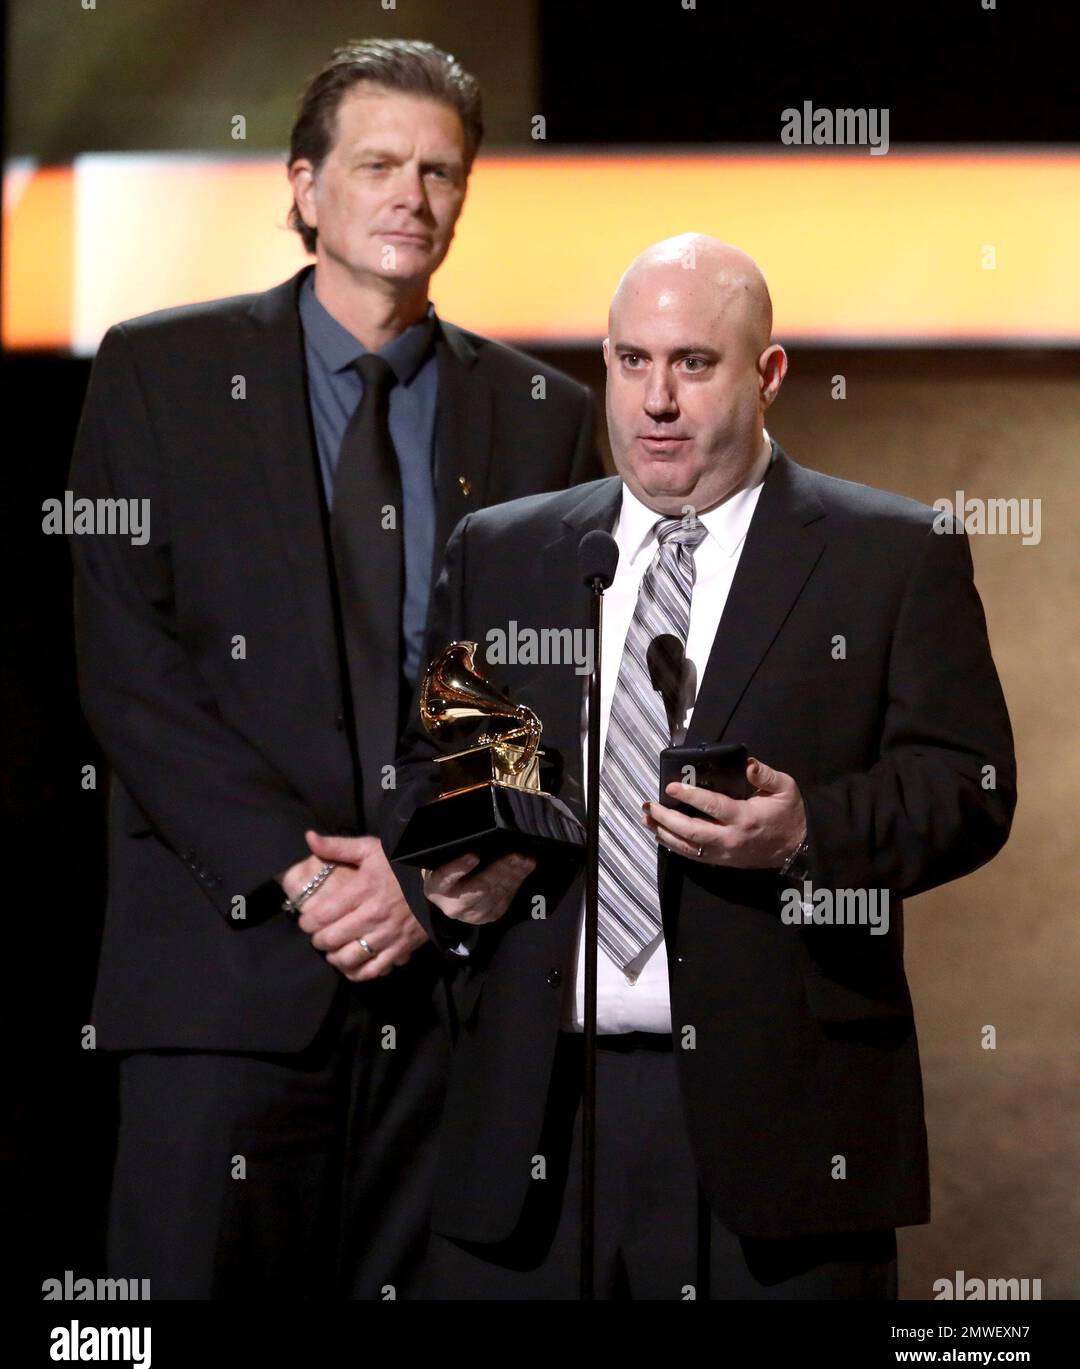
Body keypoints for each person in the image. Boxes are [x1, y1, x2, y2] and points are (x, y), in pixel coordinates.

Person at [69, 37, 601, 1300]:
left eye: (440, 171)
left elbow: (540, 683)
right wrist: (306, 878)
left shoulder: (544, 413)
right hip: (225, 974)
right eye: (378, 165)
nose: (412, 196)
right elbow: (129, 663)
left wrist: (426, 882)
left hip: (448, 993)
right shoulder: (161, 371)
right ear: (305, 188)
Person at [386, 233, 1017, 1299]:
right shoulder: (507, 549)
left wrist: (808, 827)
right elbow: (429, 767)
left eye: (693, 363)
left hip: (782, 1125)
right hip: (537, 1115)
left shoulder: (889, 554)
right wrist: (448, 878)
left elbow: (969, 785)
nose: (656, 401)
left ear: (767, 375)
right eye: (631, 362)